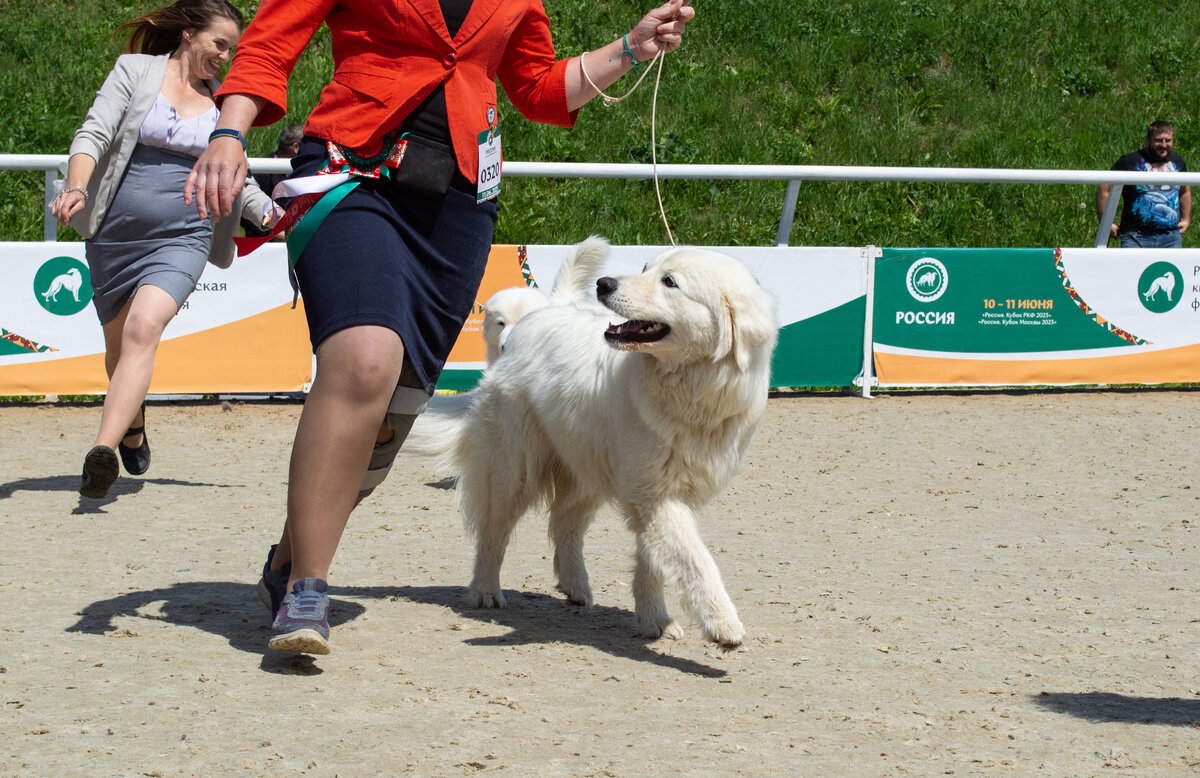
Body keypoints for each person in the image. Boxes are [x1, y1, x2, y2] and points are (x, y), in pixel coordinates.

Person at [184, 0, 695, 655]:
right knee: (364, 361)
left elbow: (538, 88)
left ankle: (289, 554)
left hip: (458, 210)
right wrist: (229, 132)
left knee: (393, 414)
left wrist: (631, 46)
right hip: (353, 173)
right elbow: (271, 40)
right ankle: (306, 589)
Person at [51, 0, 272, 500]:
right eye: (219, 44)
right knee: (119, 350)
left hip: (186, 234)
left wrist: (274, 216)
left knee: (143, 327)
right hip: (114, 233)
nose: (224, 57)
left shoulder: (224, 102)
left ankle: (103, 451)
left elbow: (239, 175)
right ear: (189, 33)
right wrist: (78, 186)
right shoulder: (135, 70)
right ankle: (132, 425)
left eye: (231, 50)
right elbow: (94, 132)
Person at [1096, 121, 1191, 248]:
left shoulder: (1178, 163)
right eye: (1158, 140)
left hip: (1171, 237)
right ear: (1147, 140)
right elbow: (1103, 188)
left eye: (1167, 140)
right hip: (1136, 236)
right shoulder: (1130, 162)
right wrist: (1106, 223)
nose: (1163, 145)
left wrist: (1186, 219)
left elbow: (1184, 191)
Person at [241, 123, 302, 237]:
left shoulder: (302, 171)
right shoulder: (260, 171)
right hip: (263, 243)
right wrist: (279, 234)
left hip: (292, 234)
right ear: (295, 147)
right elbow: (247, 214)